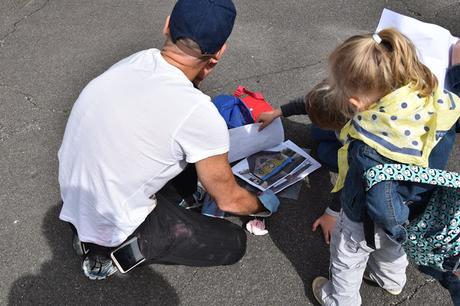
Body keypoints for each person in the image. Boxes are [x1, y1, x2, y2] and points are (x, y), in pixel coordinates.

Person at [58, 0, 279, 281]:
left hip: (75, 195)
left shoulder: (137, 60)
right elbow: (229, 199)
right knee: (234, 242)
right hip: (110, 222)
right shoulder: (198, 113)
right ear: (219, 53)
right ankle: (111, 252)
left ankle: (174, 202)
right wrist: (262, 206)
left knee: (184, 152)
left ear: (166, 26)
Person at [308, 29, 460, 305]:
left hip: (365, 218)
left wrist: (393, 224)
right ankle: (390, 281)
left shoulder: (369, 144)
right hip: (417, 208)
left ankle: (340, 299)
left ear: (355, 103)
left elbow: (380, 201)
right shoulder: (437, 104)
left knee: (348, 257)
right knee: (393, 249)